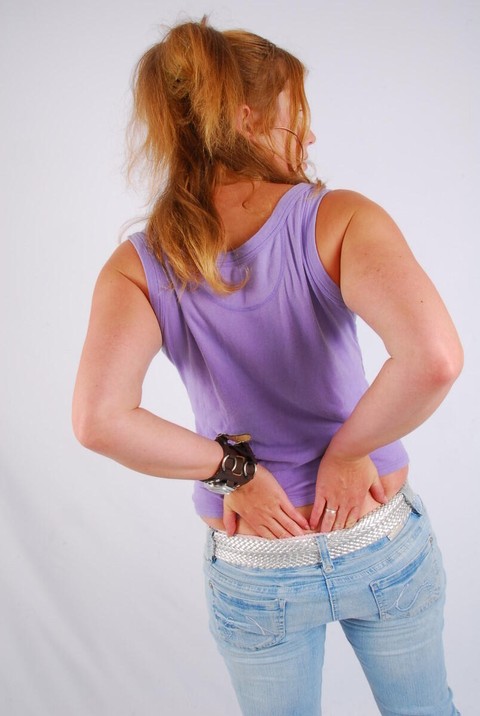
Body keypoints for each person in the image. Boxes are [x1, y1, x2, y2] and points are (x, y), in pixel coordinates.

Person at [72, 18, 463, 716]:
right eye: (296, 115)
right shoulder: (338, 217)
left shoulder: (137, 266)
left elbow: (100, 420)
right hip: (376, 533)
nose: (308, 137)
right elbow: (433, 358)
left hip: (259, 561)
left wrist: (235, 475)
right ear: (247, 118)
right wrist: (350, 451)